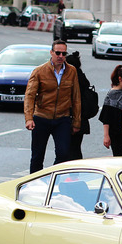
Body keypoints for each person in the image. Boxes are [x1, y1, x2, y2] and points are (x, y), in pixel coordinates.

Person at [24, 39, 81, 173]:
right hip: (41, 117)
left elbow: (76, 98)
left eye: (64, 53)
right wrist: (29, 118)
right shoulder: (39, 71)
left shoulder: (71, 71)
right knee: (37, 155)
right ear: (51, 53)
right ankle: (35, 183)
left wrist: (76, 122)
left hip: (62, 118)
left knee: (63, 153)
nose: (61, 56)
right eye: (58, 53)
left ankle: (53, 178)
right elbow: (30, 95)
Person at [99, 65, 122, 156]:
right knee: (118, 159)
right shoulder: (112, 94)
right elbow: (106, 118)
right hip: (116, 134)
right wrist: (106, 136)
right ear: (120, 79)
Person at [65, 51, 91, 160]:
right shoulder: (82, 77)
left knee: (69, 149)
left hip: (74, 118)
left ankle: (71, 173)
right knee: (76, 148)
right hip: (82, 119)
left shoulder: (73, 78)